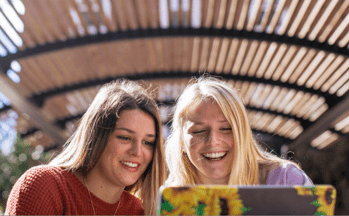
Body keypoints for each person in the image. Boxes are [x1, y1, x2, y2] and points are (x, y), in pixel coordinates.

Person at [6, 79, 166, 215]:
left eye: (148, 142)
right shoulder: (45, 186)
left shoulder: (140, 212)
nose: (137, 152)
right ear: (97, 136)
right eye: (125, 137)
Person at [165, 76, 313, 186]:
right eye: (198, 131)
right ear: (181, 142)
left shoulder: (286, 181)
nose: (213, 140)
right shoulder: (169, 202)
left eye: (226, 128)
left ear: (243, 134)